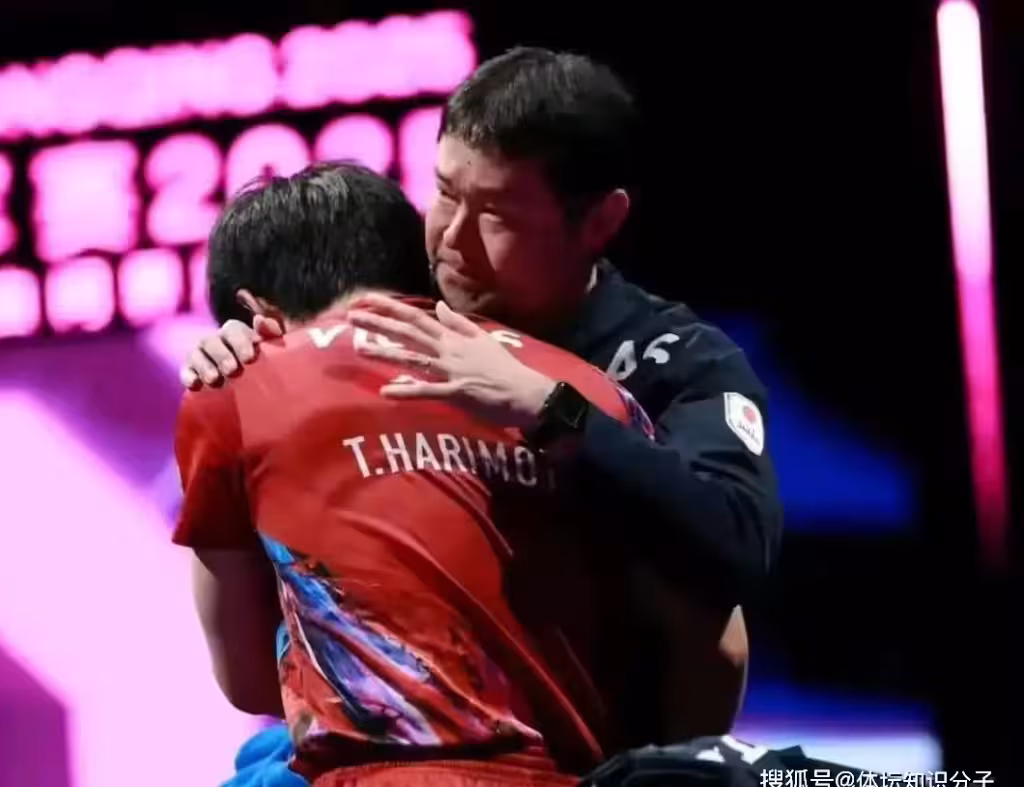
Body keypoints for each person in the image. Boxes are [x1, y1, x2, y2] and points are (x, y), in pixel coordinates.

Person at [183, 46, 773, 729]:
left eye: (498, 216)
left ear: (600, 222)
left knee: (719, 626)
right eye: (445, 192)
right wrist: (238, 353)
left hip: (586, 734)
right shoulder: (392, 296)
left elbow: (735, 548)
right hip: (376, 722)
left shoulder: (678, 362)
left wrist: (551, 409)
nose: (451, 240)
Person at [174, 162, 741, 787]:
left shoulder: (236, 387)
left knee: (260, 777)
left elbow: (249, 681)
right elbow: (719, 640)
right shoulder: (585, 391)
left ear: (255, 314)